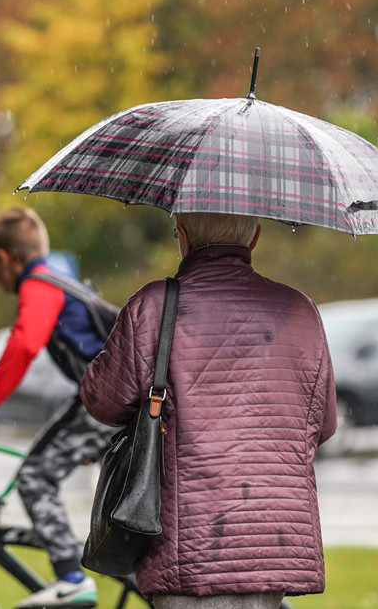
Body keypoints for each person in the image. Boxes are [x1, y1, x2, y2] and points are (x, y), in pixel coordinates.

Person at [80, 212, 338, 609]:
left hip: (191, 542)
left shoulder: (154, 305)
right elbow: (323, 425)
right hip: (273, 539)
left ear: (182, 236)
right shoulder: (301, 311)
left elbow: (102, 400)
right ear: (254, 238)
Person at [0, 206, 114, 609]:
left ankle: (70, 576)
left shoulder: (40, 284)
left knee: (34, 478)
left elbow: (24, 344)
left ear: (4, 258)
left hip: (106, 401)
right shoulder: (61, 278)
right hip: (111, 401)